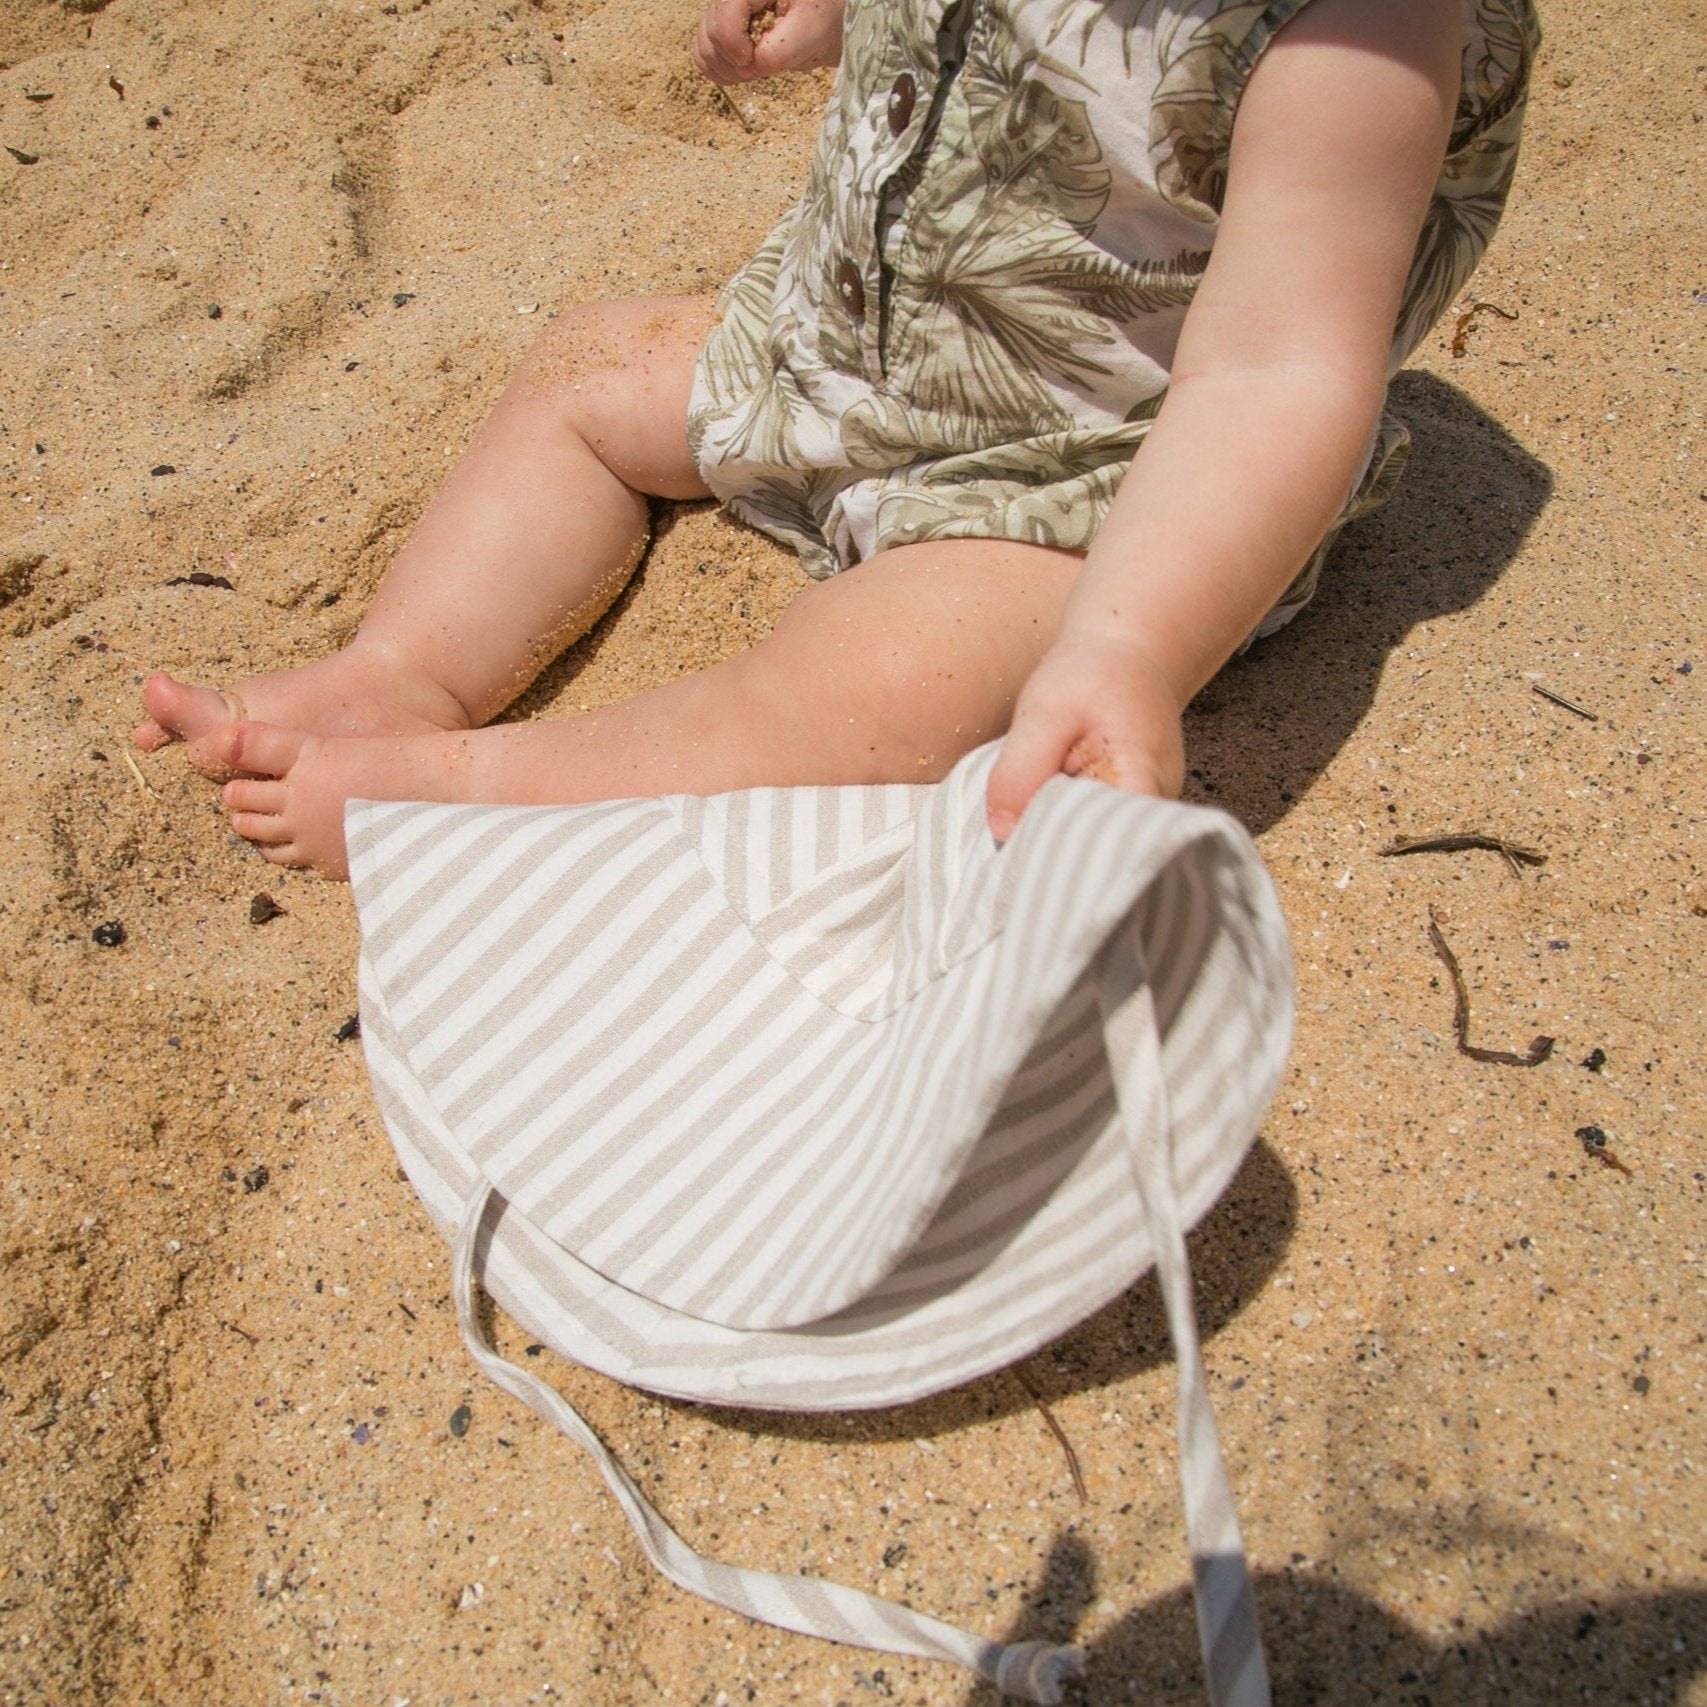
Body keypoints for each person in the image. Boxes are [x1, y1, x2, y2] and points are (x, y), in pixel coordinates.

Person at [134, 0, 1536, 878]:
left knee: (874, 683)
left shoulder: (1360, 30)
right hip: (852, 335)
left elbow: (1278, 370)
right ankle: (403, 675)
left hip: (1085, 473)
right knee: (586, 368)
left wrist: (1128, 648)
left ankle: (462, 796)